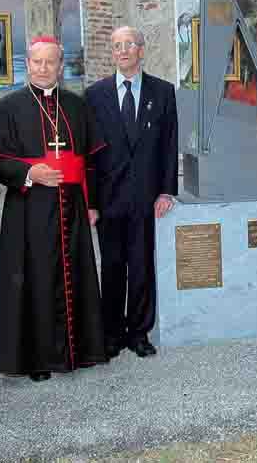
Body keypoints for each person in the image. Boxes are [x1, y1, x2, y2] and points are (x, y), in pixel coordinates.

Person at [0, 35, 107, 381]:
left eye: (50, 62)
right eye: (37, 62)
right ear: (28, 63)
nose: (43, 68)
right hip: (29, 207)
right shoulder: (8, 107)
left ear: (60, 65)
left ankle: (79, 351)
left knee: (76, 273)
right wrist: (28, 172)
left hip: (72, 205)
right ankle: (36, 359)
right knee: (34, 278)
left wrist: (93, 203)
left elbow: (92, 161)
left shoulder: (77, 105)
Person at [86, 27, 178, 359]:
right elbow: (89, 154)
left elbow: (169, 145)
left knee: (141, 266)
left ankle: (139, 332)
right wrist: (91, 202)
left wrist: (167, 191)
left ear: (141, 50)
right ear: (112, 52)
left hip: (146, 198)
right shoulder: (94, 95)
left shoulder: (163, 92)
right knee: (111, 266)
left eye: (129, 45)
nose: (123, 50)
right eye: (116, 46)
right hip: (108, 200)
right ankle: (111, 334)